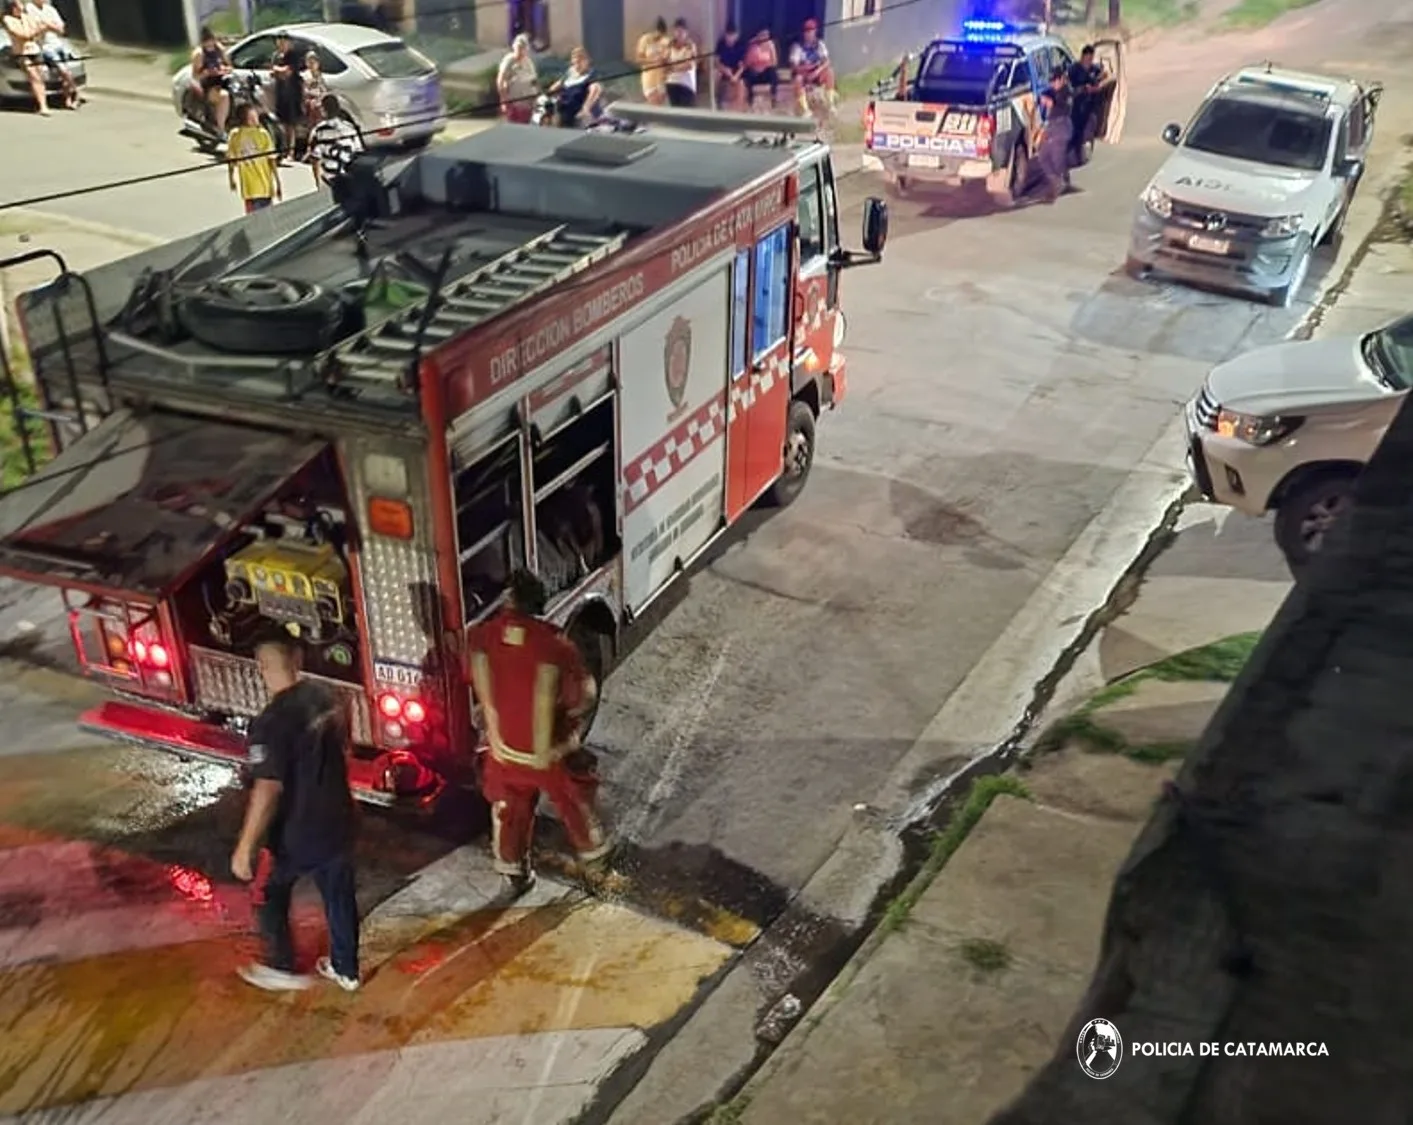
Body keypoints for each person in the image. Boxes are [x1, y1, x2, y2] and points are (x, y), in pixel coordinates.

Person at [467, 569, 611, 895]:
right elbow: (583, 695)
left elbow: (472, 675)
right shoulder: (555, 645)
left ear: (509, 599)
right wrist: (566, 727)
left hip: (502, 754)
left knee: (508, 809)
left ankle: (514, 873)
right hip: (548, 756)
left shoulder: (482, 636)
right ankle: (596, 866)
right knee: (575, 800)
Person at [231, 632, 361, 992]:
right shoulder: (326, 697)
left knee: (268, 892)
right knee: (338, 895)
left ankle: (282, 966)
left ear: (262, 668)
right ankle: (346, 969)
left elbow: (268, 789)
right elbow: (344, 739)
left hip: (297, 834)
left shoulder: (271, 723)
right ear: (299, 659)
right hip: (338, 819)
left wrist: (245, 847)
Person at [228, 103, 282, 213]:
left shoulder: (234, 135)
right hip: (265, 186)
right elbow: (272, 160)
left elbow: (231, 160)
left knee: (253, 217)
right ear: (251, 119)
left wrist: (231, 179)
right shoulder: (263, 134)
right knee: (266, 216)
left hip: (248, 189)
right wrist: (278, 183)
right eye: (255, 117)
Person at [24, 0, 75, 108]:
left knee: (68, 73)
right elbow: (32, 30)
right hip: (45, 47)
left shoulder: (50, 9)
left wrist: (48, 25)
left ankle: (69, 97)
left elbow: (61, 29)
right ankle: (75, 94)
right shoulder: (28, 9)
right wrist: (48, 26)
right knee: (64, 72)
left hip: (57, 44)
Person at [1067, 44, 1113, 164]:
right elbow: (1069, 88)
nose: (1089, 61)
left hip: (1090, 106)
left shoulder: (1094, 69)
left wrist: (1101, 80)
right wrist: (1082, 88)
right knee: (1074, 131)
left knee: (1087, 130)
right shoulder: (1074, 70)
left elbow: (1105, 76)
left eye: (1091, 58)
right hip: (1076, 107)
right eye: (1087, 58)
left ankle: (1081, 152)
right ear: (1082, 57)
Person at [309, 93, 363, 188]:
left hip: (329, 180)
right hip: (349, 178)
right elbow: (358, 153)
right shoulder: (350, 127)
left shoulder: (318, 131)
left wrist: (318, 183)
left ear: (323, 110)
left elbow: (315, 159)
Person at [3, 0, 47, 115]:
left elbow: (37, 29)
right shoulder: (8, 19)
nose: (21, 7)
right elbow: (23, 34)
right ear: (12, 8)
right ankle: (42, 106)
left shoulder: (26, 17)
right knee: (34, 76)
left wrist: (34, 31)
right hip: (21, 53)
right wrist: (35, 31)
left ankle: (43, 103)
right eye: (18, 5)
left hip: (35, 50)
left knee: (40, 77)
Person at [1036, 66, 1073, 202]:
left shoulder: (1067, 92)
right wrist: (1043, 98)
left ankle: (1061, 182)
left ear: (1062, 79)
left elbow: (1063, 106)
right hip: (1051, 126)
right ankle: (1058, 180)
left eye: (1055, 80)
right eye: (1051, 81)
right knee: (1043, 156)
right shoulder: (1052, 90)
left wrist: (1052, 104)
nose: (1053, 83)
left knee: (1057, 157)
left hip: (1062, 126)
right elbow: (1045, 94)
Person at [190, 25, 232, 136]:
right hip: (207, 86)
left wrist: (225, 69)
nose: (209, 44)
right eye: (206, 42)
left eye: (211, 41)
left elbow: (229, 66)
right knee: (224, 96)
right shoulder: (199, 54)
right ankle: (220, 129)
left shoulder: (219, 49)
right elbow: (195, 76)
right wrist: (205, 73)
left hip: (222, 81)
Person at [269, 31, 303, 161]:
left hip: (292, 92)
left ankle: (291, 152)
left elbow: (287, 72)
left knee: (291, 123)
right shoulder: (276, 55)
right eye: (279, 41)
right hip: (280, 91)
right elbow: (272, 71)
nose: (281, 44)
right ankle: (283, 149)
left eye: (284, 41)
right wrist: (278, 71)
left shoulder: (293, 56)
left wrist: (278, 70)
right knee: (281, 121)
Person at [549, 46, 601, 128]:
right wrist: (550, 93)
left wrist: (586, 108)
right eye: (575, 62)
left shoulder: (591, 75)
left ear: (586, 61)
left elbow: (595, 90)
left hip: (579, 114)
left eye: (580, 62)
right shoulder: (570, 72)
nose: (577, 65)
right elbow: (558, 85)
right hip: (564, 111)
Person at [789, 17, 834, 109]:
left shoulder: (820, 44)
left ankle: (830, 103)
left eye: (811, 31)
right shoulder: (797, 46)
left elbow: (827, 61)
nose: (809, 34)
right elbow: (794, 66)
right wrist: (806, 71)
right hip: (803, 72)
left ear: (815, 31)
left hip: (816, 71)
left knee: (830, 72)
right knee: (798, 79)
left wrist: (817, 71)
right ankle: (805, 109)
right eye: (807, 31)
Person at [497, 33, 538, 124]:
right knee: (514, 125)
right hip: (514, 101)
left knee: (525, 125)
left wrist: (536, 99)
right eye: (518, 47)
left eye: (522, 48)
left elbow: (534, 81)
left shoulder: (528, 62)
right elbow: (500, 80)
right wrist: (503, 100)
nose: (520, 50)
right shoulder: (509, 60)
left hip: (527, 102)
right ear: (514, 47)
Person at [663, 17, 697, 108]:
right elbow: (665, 63)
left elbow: (689, 65)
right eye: (677, 31)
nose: (679, 34)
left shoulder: (690, 46)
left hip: (686, 84)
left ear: (686, 33)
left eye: (682, 31)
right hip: (672, 83)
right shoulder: (669, 45)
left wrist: (673, 68)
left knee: (686, 112)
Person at [742, 26, 778, 110]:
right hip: (755, 72)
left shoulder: (770, 45)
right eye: (762, 35)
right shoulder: (753, 46)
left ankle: (773, 96)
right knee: (749, 74)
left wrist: (770, 49)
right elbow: (747, 62)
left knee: (773, 73)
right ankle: (750, 98)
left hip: (765, 72)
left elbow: (774, 62)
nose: (765, 37)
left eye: (766, 35)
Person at [635, 17, 669, 105]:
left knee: (660, 106)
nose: (659, 37)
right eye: (658, 33)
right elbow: (639, 60)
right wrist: (653, 60)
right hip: (649, 78)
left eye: (662, 34)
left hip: (662, 78)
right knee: (654, 103)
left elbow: (668, 59)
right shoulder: (645, 40)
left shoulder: (666, 41)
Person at [714, 21, 745, 109]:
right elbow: (716, 62)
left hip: (736, 71)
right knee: (716, 75)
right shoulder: (720, 44)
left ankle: (739, 106)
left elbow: (742, 65)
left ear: (737, 35)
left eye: (733, 35)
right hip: (724, 69)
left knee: (741, 83)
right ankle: (717, 102)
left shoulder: (740, 45)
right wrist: (725, 70)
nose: (730, 38)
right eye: (728, 35)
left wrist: (735, 76)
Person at [301, 50, 328, 128]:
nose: (311, 65)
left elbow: (323, 88)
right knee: (313, 105)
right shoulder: (304, 75)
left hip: (319, 98)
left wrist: (322, 95)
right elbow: (304, 91)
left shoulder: (320, 76)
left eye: (313, 62)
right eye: (309, 62)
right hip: (308, 100)